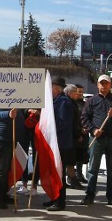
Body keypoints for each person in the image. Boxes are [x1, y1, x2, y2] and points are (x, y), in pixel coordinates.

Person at [81, 74, 112, 207]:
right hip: (97, 138)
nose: (103, 85)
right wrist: (93, 129)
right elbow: (84, 117)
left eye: (106, 83)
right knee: (93, 169)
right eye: (101, 83)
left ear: (110, 85)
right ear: (97, 85)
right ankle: (89, 195)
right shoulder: (92, 101)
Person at [0, 107, 29, 209]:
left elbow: (19, 111)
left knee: (7, 169)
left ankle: (3, 194)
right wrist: (8, 114)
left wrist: (26, 111)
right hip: (3, 137)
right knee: (1, 169)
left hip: (13, 137)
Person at [46, 77, 74, 211]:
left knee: (59, 173)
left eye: (51, 87)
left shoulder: (63, 102)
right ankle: (55, 197)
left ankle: (60, 201)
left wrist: (48, 125)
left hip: (61, 143)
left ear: (56, 88)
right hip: (57, 142)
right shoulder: (57, 101)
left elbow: (62, 123)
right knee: (55, 172)